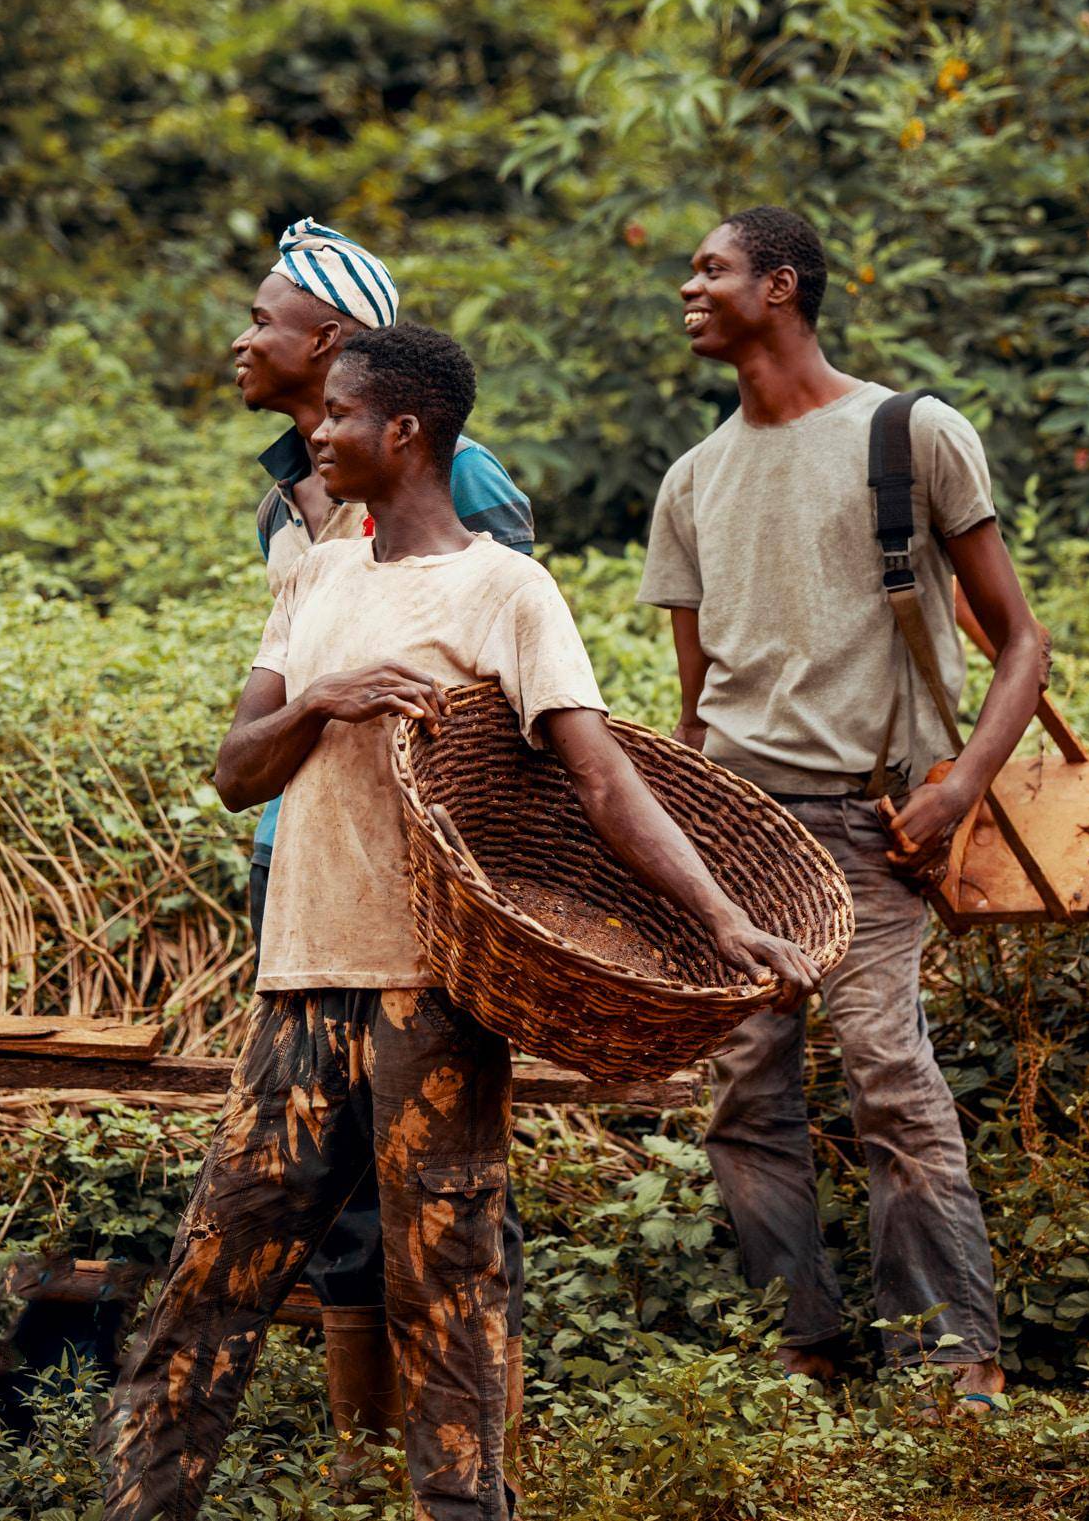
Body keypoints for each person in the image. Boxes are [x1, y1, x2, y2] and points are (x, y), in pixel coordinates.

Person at [99, 320, 820, 1520]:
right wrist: (324, 699)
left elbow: (602, 782)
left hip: (432, 995)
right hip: (301, 984)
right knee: (211, 1272)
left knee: (448, 1286)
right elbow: (236, 768)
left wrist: (728, 917)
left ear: (405, 429)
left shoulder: (505, 589)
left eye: (336, 413)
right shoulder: (314, 572)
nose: (316, 431)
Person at [638, 206, 1042, 1408]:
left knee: (887, 1074)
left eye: (710, 269)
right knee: (744, 1092)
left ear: (781, 284)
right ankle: (799, 1344)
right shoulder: (690, 480)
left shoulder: (909, 432)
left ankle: (949, 1358)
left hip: (875, 824)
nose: (687, 287)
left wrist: (957, 787)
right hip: (739, 831)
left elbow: (1021, 644)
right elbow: (694, 703)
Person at [230, 216, 533, 1464]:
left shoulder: (461, 483)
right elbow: (279, 702)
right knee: (330, 1166)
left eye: (265, 318)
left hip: (420, 888)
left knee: (446, 1175)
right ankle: (365, 1445)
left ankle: (468, 1447)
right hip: (301, 870)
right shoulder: (279, 496)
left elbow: (498, 687)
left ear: (338, 344)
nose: (244, 339)